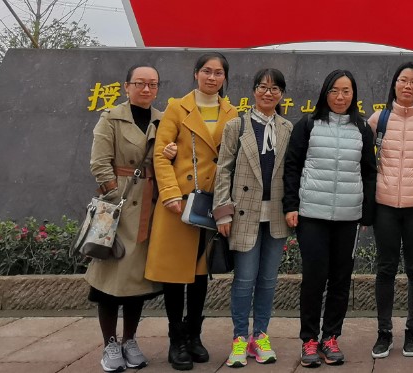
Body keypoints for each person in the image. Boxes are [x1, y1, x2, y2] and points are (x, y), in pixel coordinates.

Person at [147, 53, 238, 371]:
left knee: (200, 275)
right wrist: (171, 194)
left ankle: (194, 335)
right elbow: (161, 155)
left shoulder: (232, 112)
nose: (212, 78)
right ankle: (176, 340)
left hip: (210, 205)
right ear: (196, 73)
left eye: (218, 73)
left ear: (225, 78)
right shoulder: (177, 108)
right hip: (179, 205)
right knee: (175, 276)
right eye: (207, 71)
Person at [283, 69, 378, 367]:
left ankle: (331, 337)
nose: (340, 97)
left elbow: (369, 171)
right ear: (325, 93)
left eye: (346, 91)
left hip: (348, 216)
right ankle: (309, 340)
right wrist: (291, 205)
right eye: (334, 90)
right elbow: (292, 166)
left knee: (340, 280)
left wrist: (366, 212)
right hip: (312, 214)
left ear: (354, 95)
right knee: (314, 278)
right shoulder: (308, 124)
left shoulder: (362, 128)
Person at [86, 64, 165, 372]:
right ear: (127, 86)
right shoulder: (111, 118)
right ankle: (110, 344)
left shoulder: (162, 120)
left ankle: (130, 339)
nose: (146, 89)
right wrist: (113, 195)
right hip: (117, 209)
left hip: (149, 208)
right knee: (109, 280)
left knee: (136, 282)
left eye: (152, 84)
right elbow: (99, 162)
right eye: (140, 83)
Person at [214, 68, 294, 368]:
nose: (268, 93)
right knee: (245, 279)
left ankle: (259, 336)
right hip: (243, 214)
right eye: (263, 87)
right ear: (254, 90)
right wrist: (223, 212)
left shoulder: (287, 127)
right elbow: (223, 170)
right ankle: (238, 338)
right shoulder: (237, 125)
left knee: (268, 280)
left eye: (275, 89)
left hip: (275, 215)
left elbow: (292, 171)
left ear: (282, 94)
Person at [367, 63, 413, 359]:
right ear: (394, 84)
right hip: (384, 205)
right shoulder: (378, 119)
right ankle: (384, 332)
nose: (408, 86)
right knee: (385, 268)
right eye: (403, 80)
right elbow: (364, 161)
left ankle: (412, 330)